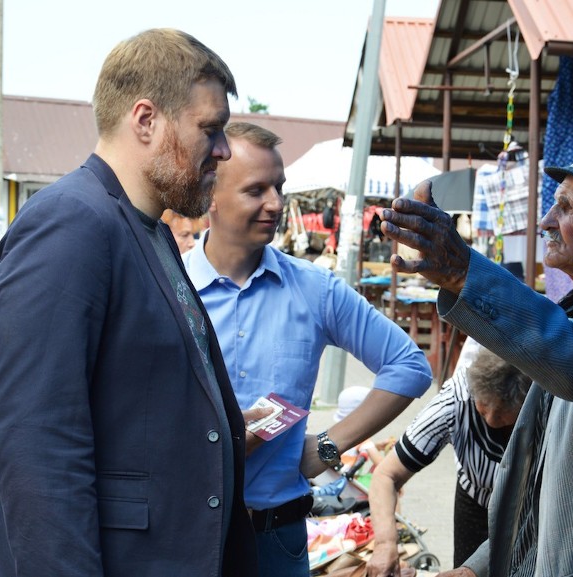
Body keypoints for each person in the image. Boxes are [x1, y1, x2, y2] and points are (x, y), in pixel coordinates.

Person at [0, 29, 260, 577]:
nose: (224, 149)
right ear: (146, 119)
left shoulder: (151, 231)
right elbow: (37, 446)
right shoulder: (71, 224)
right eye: (209, 129)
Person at [379, 130, 573, 577]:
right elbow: (545, 497)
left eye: (566, 207)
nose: (546, 221)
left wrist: (465, 271)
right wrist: (475, 569)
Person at [182, 122, 432, 577]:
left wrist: (328, 448)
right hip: (185, 536)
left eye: (278, 187)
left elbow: (409, 366)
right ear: (209, 195)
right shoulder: (169, 290)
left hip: (277, 542)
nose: (276, 203)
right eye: (256, 190)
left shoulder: (314, 290)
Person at [367, 347, 531, 576]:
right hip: (476, 499)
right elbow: (387, 474)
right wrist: (385, 542)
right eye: (483, 410)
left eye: (504, 414)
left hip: (533, 507)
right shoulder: (455, 398)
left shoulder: (547, 405)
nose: (492, 420)